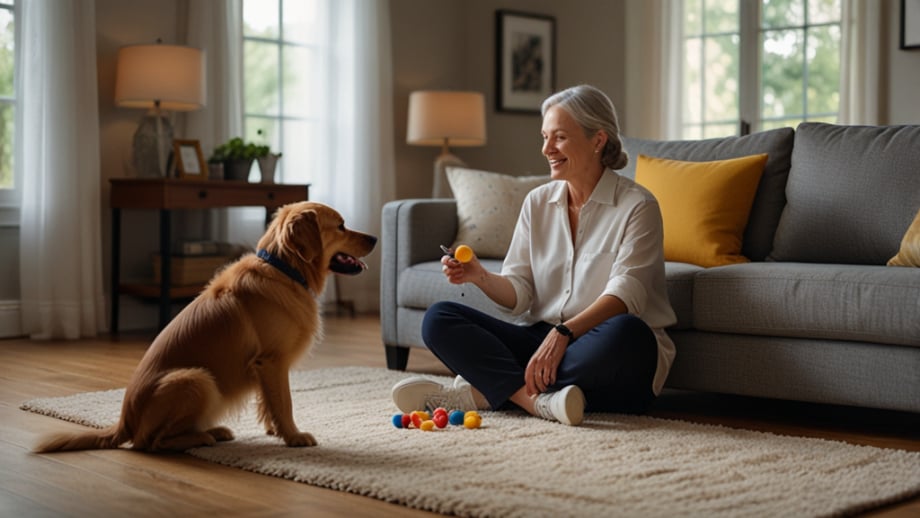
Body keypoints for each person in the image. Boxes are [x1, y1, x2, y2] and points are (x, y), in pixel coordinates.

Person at [391, 84, 677, 426]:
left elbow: (625, 294)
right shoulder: (537, 202)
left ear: (598, 140)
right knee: (439, 318)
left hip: (602, 347)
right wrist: (479, 276)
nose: (546, 149)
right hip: (541, 340)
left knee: (629, 333)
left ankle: (481, 393)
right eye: (544, 137)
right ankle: (538, 401)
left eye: (558, 137)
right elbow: (520, 292)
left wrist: (563, 334)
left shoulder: (638, 206)